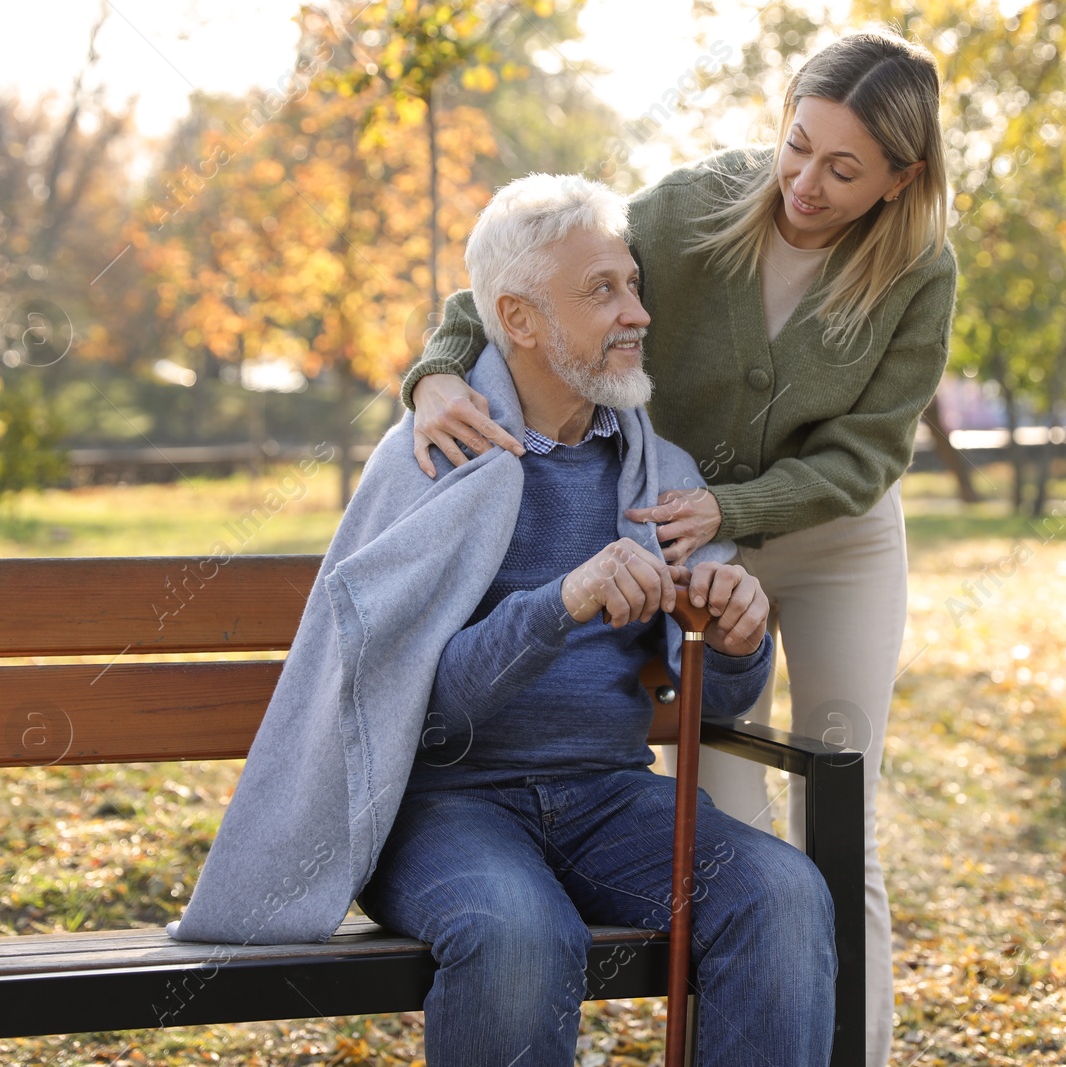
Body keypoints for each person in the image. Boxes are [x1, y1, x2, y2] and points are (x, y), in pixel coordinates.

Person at [399, 32, 955, 1066]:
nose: (805, 182)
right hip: (692, 529)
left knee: (840, 805)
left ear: (900, 177)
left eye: (844, 170)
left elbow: (869, 451)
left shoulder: (917, 268)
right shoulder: (699, 203)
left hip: (831, 532)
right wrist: (435, 369)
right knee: (715, 810)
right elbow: (525, 270)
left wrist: (729, 500)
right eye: (797, 146)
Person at [357, 172, 837, 1067]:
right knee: (520, 936)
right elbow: (405, 712)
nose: (638, 313)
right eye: (602, 290)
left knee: (780, 893)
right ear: (521, 319)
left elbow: (720, 700)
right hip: (445, 808)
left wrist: (736, 637)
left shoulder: (662, 470)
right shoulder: (430, 460)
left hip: (608, 796)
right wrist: (560, 604)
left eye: (633, 284)